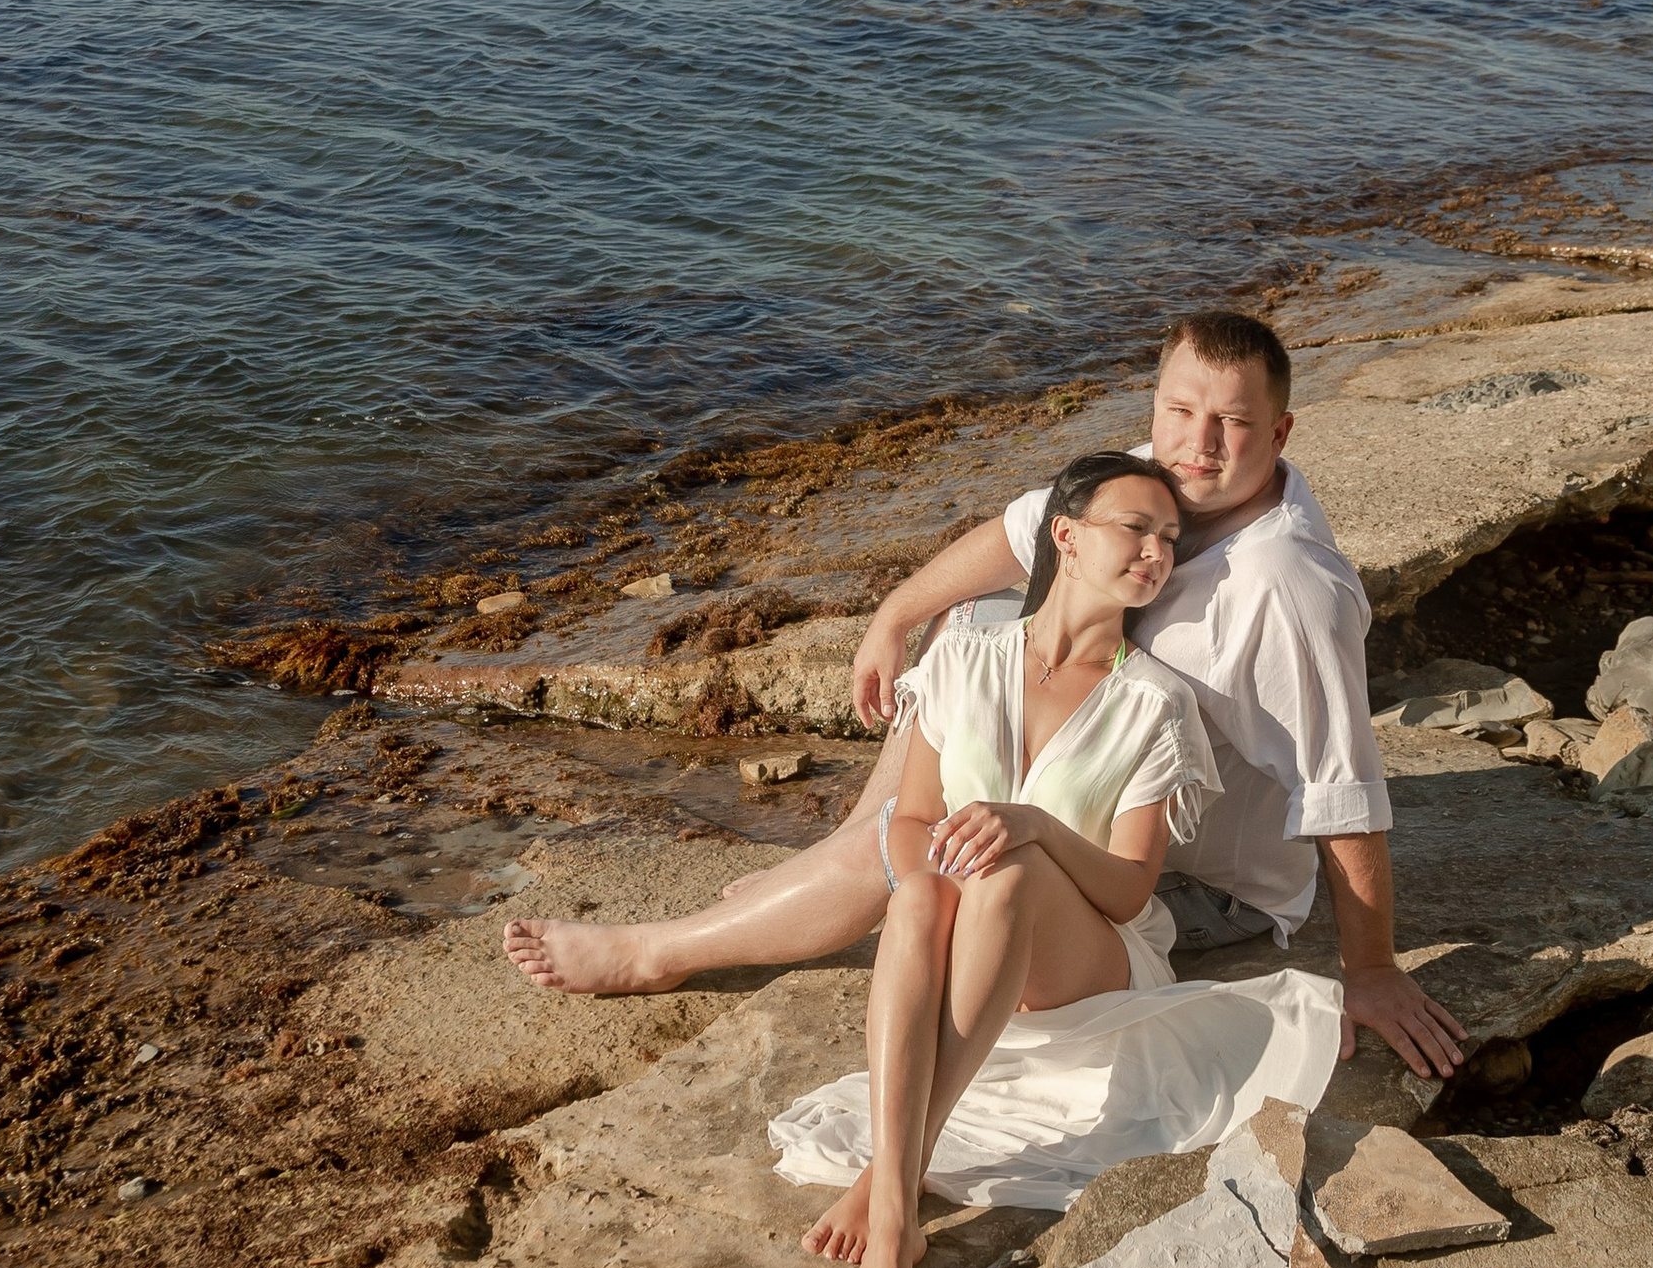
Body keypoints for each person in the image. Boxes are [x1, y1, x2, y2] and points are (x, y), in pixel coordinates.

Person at [501, 309, 1465, 1084]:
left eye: (1233, 425)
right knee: (975, 630)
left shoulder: (1285, 588)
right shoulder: (1165, 477)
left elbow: (1343, 787)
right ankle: (849, 857)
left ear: (1280, 432)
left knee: (931, 851)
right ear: (1160, 401)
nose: (1198, 443)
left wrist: (1371, 972)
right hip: (1074, 790)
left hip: (1185, 878)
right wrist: (894, 611)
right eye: (1178, 411)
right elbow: (1026, 533)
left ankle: (661, 950)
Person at [771, 448, 1336, 1268]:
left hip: (1093, 963)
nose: (1156, 550)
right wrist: (945, 885)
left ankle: (891, 1192)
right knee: (918, 893)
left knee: (1016, 868)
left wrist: (1035, 826)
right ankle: (899, 1190)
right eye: (1135, 528)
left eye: (1170, 538)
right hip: (964, 933)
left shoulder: (1155, 704)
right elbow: (912, 820)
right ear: (1065, 537)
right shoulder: (963, 657)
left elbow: (1125, 891)